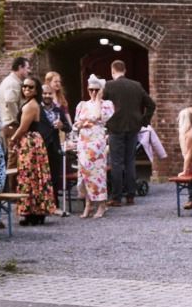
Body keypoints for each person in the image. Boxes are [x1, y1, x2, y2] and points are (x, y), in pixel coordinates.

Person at [103, 59, 155, 207]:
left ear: (113, 71)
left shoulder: (108, 86)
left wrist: (105, 122)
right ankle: (131, 195)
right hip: (133, 127)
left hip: (115, 128)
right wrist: (143, 121)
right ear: (124, 70)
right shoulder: (136, 86)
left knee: (116, 162)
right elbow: (151, 104)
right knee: (130, 161)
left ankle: (117, 197)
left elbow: (102, 106)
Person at [8, 73, 56, 226]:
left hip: (29, 142)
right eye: (24, 86)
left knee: (29, 176)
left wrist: (13, 139)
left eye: (30, 87)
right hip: (34, 141)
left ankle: (31, 212)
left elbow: (23, 127)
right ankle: (37, 211)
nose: (26, 89)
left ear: (36, 90)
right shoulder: (33, 103)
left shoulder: (30, 105)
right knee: (36, 176)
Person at [74, 75, 111, 219]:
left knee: (98, 173)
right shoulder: (82, 105)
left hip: (97, 142)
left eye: (96, 90)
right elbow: (76, 123)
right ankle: (88, 203)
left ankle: (101, 204)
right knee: (84, 172)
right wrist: (83, 123)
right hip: (84, 142)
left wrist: (97, 100)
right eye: (91, 90)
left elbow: (97, 116)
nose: (93, 93)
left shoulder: (106, 104)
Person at [39, 79, 72, 210]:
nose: (47, 96)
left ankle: (54, 204)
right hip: (41, 146)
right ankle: (41, 204)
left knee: (54, 177)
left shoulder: (58, 110)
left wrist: (62, 125)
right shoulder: (36, 109)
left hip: (55, 147)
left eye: (49, 93)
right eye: (44, 93)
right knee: (41, 177)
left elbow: (68, 128)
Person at [0, 55, 31, 148]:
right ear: (20, 67)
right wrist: (19, 121)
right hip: (12, 125)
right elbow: (10, 102)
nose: (29, 71)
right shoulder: (12, 83)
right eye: (27, 68)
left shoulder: (12, 81)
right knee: (14, 158)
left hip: (11, 125)